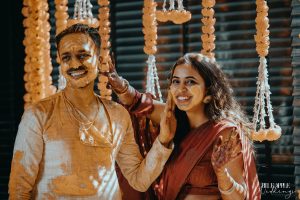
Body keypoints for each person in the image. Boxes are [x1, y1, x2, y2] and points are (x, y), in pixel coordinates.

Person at [8, 23, 175, 199]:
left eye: (83, 55)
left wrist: (163, 141)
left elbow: (139, 180)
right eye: (66, 58)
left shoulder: (118, 114)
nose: (74, 64)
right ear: (59, 61)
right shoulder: (38, 114)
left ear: (100, 58)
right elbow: (19, 187)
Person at [109, 53, 261, 200]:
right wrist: (117, 82)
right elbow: (136, 102)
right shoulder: (170, 118)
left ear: (208, 90)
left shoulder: (225, 132)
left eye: (190, 82)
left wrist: (222, 174)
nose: (181, 89)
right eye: (176, 81)